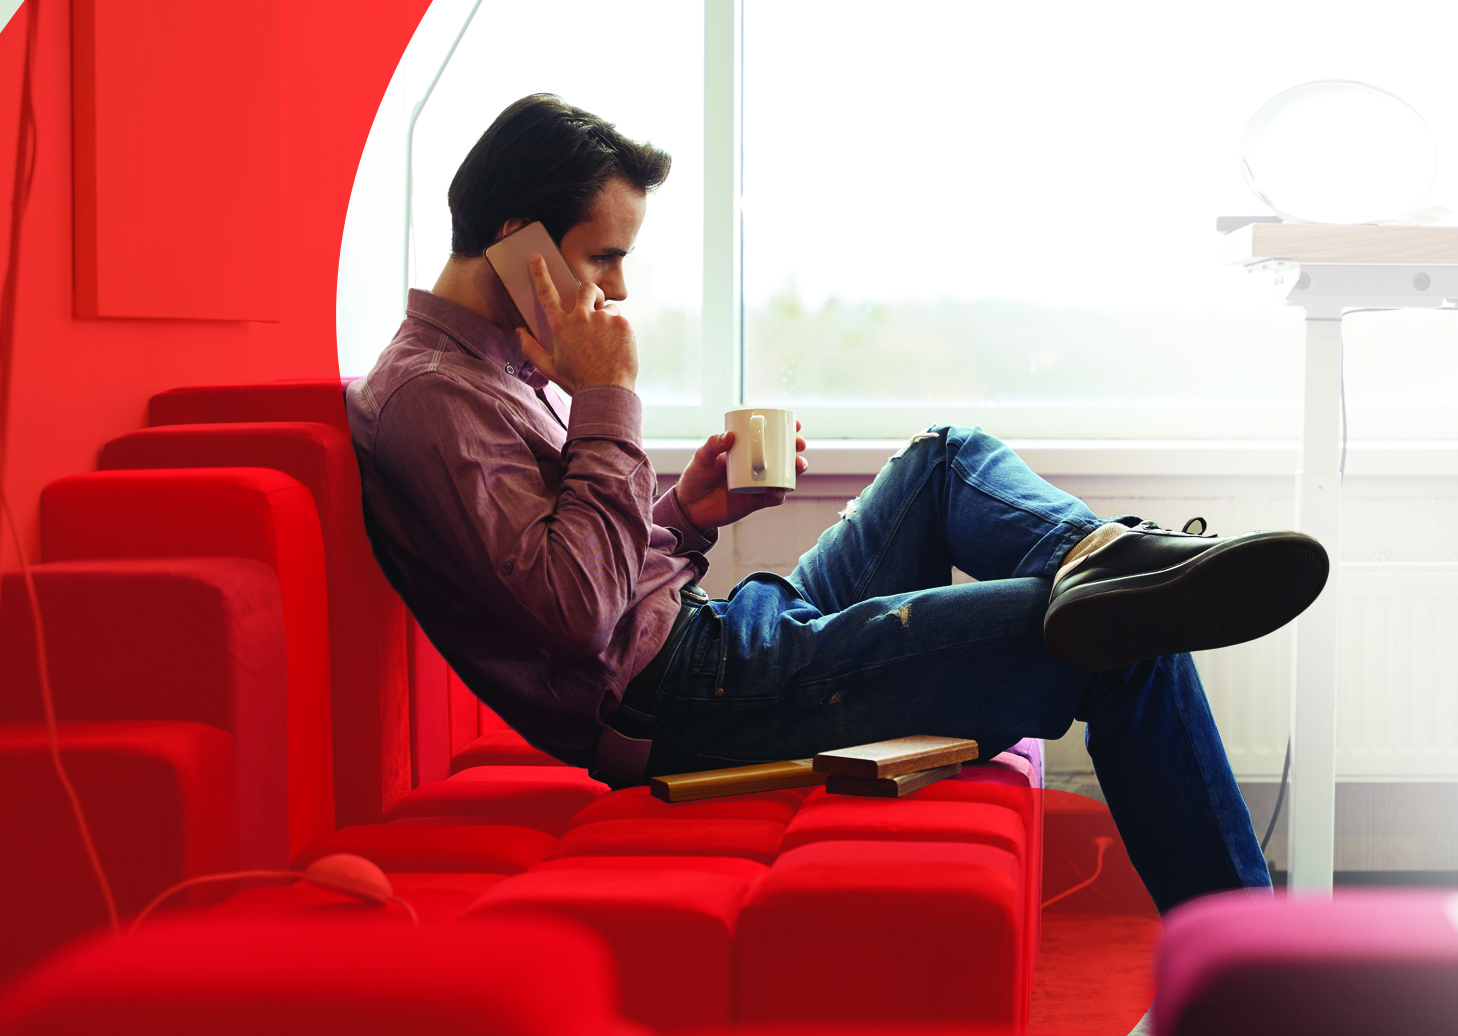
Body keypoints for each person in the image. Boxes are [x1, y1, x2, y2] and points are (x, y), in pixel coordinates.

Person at [346, 94, 1328, 912]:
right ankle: (1256, 970)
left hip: (725, 640)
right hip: (693, 699)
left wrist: (686, 512)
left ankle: (1109, 551)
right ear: (519, 242)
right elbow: (573, 617)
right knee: (1123, 639)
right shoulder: (435, 399)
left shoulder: (493, 370)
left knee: (945, 459)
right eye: (603, 257)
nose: (616, 288)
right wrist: (609, 396)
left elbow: (584, 569)